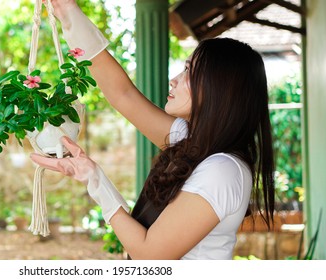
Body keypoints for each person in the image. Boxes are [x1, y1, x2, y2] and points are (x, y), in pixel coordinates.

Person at [31, 0, 275, 260]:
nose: (174, 80)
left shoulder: (222, 170)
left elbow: (151, 255)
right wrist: (68, 13)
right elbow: (122, 94)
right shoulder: (191, 140)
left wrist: (95, 180)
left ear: (219, 90)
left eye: (189, 72)